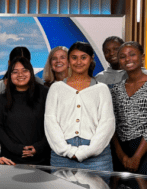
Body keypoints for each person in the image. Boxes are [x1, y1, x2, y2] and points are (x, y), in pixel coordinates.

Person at [44, 42, 115, 172]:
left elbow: (107, 124)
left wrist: (88, 151)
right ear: (69, 60)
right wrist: (66, 150)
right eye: (74, 57)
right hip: (62, 156)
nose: (78, 62)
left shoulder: (102, 89)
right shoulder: (56, 88)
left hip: (97, 157)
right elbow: (50, 122)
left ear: (91, 59)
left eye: (83, 57)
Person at [110, 42, 147, 176]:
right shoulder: (115, 90)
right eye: (123, 56)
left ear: (142, 56)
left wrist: (137, 157)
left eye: (132, 54)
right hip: (121, 151)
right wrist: (122, 156)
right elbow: (112, 125)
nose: (128, 59)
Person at [0, 57, 50, 165]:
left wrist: (38, 147)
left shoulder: (45, 94)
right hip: (10, 160)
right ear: (9, 75)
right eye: (15, 72)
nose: (20, 74)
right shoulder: (1, 99)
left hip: (42, 159)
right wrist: (17, 149)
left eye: (24, 70)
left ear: (31, 72)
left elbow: (53, 124)